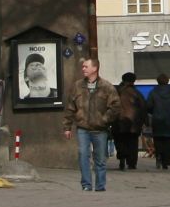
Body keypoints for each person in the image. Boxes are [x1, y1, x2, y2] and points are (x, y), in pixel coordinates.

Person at [62, 57, 117, 192]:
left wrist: (104, 119)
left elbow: (115, 106)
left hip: (100, 129)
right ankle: (86, 184)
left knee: (100, 158)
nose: (83, 69)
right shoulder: (77, 86)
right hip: (83, 128)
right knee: (83, 155)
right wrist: (67, 126)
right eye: (83, 67)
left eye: (86, 67)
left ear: (95, 68)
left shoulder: (107, 87)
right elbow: (70, 107)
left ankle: (100, 185)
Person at [112, 72, 149, 171]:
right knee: (132, 143)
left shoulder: (116, 91)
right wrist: (145, 121)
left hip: (118, 121)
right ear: (134, 81)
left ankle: (122, 158)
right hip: (134, 123)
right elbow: (143, 108)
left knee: (119, 140)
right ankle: (132, 163)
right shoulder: (137, 93)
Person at [147, 73, 170, 171]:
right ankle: (166, 162)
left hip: (157, 120)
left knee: (158, 141)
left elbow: (148, 106)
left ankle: (158, 157)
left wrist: (154, 112)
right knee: (168, 142)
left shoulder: (153, 92)